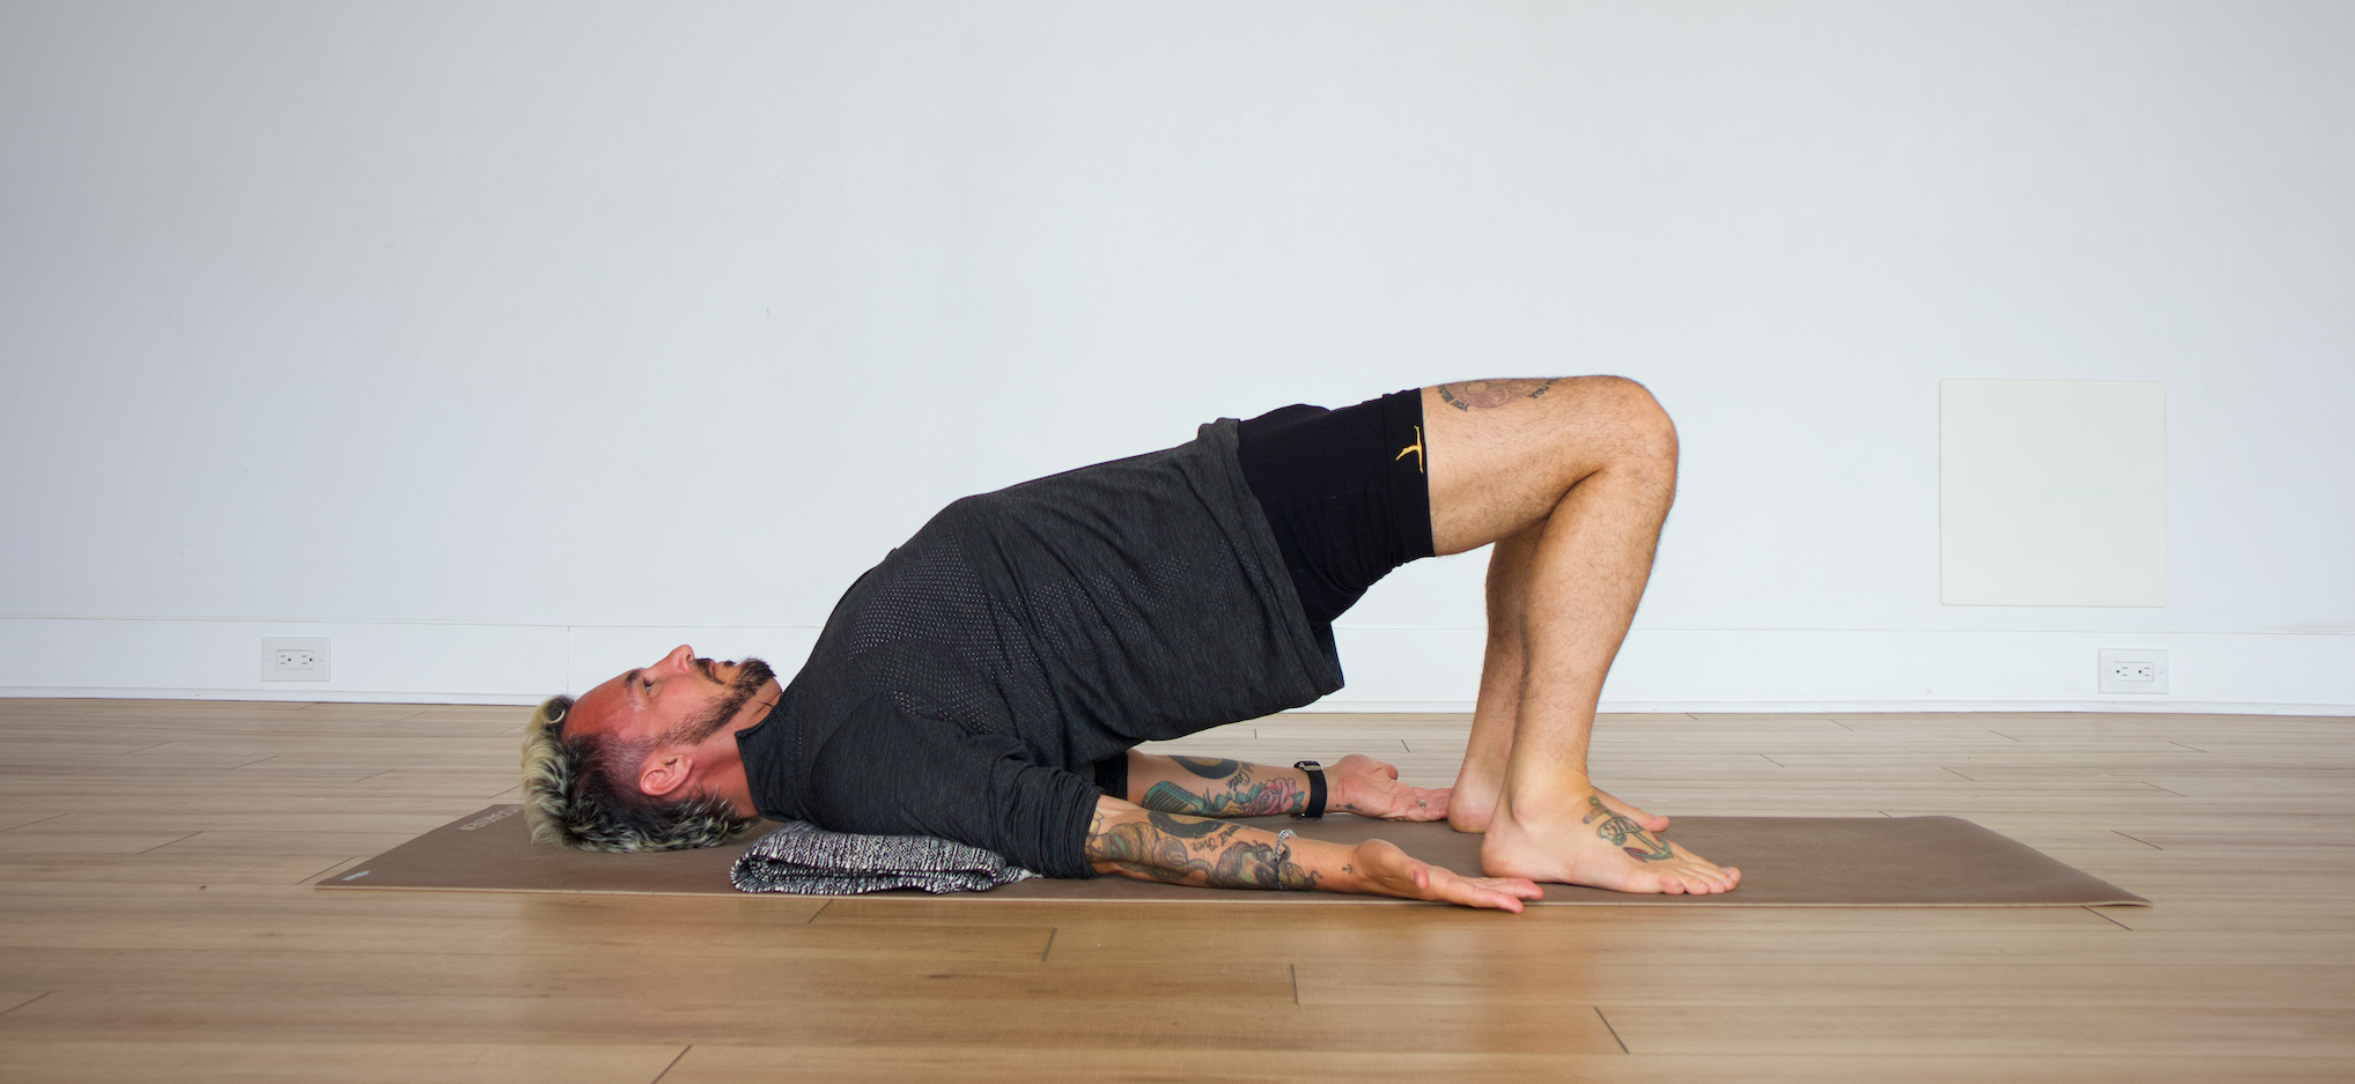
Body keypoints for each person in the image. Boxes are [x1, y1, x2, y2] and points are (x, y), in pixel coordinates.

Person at [521, 379, 1741, 911]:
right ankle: (1544, 797)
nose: (676, 654)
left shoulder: (833, 724)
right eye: (648, 684)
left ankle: (1495, 782)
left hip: (1239, 493)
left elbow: (1096, 774)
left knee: (1561, 475)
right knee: (1623, 434)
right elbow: (1098, 837)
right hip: (1255, 532)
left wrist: (1319, 790)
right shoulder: (856, 769)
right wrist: (1340, 868)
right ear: (667, 770)